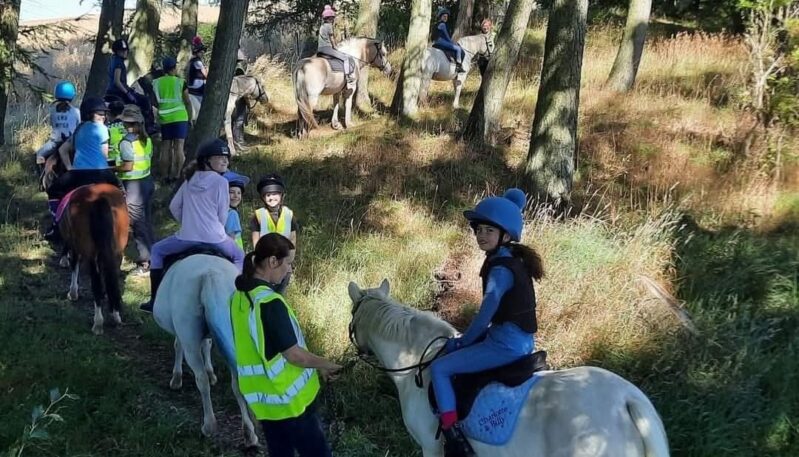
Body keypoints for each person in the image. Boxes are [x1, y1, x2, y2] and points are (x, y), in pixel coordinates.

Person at [429, 188, 543, 456]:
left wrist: (462, 342)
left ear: (504, 235)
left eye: (489, 231)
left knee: (440, 369)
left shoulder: (501, 269)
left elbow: (485, 315)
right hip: (520, 339)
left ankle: (453, 436)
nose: (481, 235)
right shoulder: (512, 259)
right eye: (479, 230)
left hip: (506, 344)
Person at [230, 232, 341, 457]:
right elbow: (293, 355)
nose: (289, 269)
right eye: (288, 263)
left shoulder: (239, 298)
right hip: (292, 403)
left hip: (265, 403)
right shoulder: (270, 303)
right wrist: (325, 363)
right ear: (273, 261)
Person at [139, 139, 245, 313]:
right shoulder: (222, 182)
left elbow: (173, 206)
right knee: (240, 256)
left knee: (157, 251)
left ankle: (154, 300)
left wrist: (189, 222)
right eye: (219, 157)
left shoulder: (189, 180)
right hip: (215, 239)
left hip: (186, 238)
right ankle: (239, 299)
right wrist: (211, 227)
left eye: (226, 157)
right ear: (207, 161)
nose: (225, 160)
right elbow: (222, 215)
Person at [45, 97, 123, 241]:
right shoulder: (104, 129)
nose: (103, 116)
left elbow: (63, 150)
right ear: (90, 114)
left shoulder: (78, 129)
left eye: (104, 114)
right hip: (101, 172)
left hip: (78, 174)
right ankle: (126, 222)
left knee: (53, 191)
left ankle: (56, 224)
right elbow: (104, 155)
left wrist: (70, 168)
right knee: (121, 192)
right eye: (100, 114)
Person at [111, 105, 155, 276]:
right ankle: (154, 256)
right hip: (147, 181)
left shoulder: (126, 142)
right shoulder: (146, 139)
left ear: (126, 123)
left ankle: (145, 263)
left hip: (133, 186)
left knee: (138, 224)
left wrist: (114, 168)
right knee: (147, 221)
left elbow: (128, 166)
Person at [107, 38, 157, 135]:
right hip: (119, 92)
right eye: (122, 51)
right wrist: (127, 93)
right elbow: (117, 81)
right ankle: (149, 126)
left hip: (110, 91)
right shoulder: (119, 63)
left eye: (125, 50)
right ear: (117, 51)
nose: (125, 52)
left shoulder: (112, 59)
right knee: (145, 100)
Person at [153, 56, 191, 182]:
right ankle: (177, 175)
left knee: (165, 147)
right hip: (180, 117)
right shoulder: (180, 82)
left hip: (165, 118)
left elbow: (155, 101)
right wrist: (190, 117)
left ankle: (164, 176)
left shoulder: (156, 82)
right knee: (179, 147)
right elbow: (187, 102)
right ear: (174, 68)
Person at [35, 81, 80, 168]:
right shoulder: (76, 111)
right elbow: (78, 125)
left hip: (55, 142)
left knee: (39, 154)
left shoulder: (53, 111)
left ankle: (41, 174)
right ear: (72, 95)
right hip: (71, 142)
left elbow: (52, 124)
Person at [251, 174, 298, 247]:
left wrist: (289, 258)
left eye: (274, 194)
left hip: (285, 256)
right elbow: (256, 241)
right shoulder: (258, 215)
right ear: (263, 198)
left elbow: (292, 239)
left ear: (282, 195)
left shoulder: (289, 214)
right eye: (268, 195)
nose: (271, 198)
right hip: (265, 256)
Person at [317, 5, 356, 88]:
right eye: (331, 18)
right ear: (329, 18)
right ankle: (348, 76)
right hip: (327, 48)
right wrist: (335, 47)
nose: (332, 19)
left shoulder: (322, 26)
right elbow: (331, 39)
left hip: (319, 49)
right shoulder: (329, 26)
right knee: (345, 58)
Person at [433, 7, 465, 73]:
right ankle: (459, 66)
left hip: (437, 41)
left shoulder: (438, 24)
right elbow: (447, 36)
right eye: (444, 16)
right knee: (458, 49)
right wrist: (452, 43)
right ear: (441, 17)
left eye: (446, 17)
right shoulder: (442, 25)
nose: (445, 18)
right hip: (440, 41)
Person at [224, 171, 249, 251]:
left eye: (239, 193)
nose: (236, 196)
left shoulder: (218, 212)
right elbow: (231, 239)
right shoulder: (232, 214)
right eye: (231, 192)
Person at [187, 36, 208, 120]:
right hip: (197, 85)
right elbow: (205, 74)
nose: (202, 53)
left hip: (191, 84)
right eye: (201, 51)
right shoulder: (197, 62)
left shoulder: (191, 60)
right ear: (197, 52)